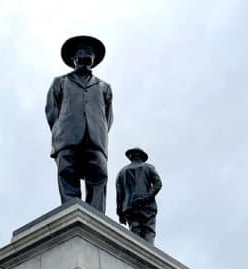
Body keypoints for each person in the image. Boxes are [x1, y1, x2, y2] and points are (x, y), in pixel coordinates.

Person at [45, 35, 114, 213]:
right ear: (73, 59)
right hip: (67, 137)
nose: (86, 55)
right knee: (67, 173)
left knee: (99, 175)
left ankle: (96, 218)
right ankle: (70, 213)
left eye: (89, 53)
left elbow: (108, 117)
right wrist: (62, 130)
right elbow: (52, 112)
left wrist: (98, 130)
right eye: (81, 52)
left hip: (96, 139)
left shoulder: (104, 87)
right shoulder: (60, 82)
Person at [116, 147, 162, 244]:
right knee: (149, 231)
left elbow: (119, 194)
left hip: (130, 208)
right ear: (142, 157)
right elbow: (158, 184)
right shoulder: (149, 167)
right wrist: (146, 197)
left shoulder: (122, 172)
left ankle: (136, 256)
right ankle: (149, 256)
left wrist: (120, 212)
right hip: (147, 206)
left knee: (135, 233)